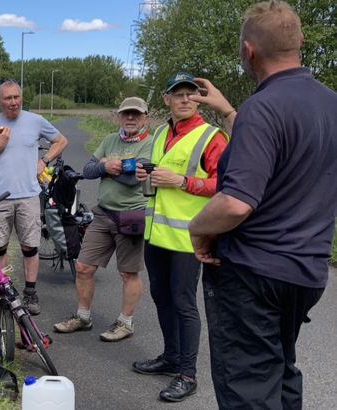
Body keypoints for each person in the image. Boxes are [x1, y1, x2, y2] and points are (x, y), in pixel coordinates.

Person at [188, 2, 337, 408]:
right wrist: (227, 111)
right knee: (281, 372)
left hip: (254, 274)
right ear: (300, 41)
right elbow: (286, 153)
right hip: (306, 272)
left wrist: (198, 229)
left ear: (248, 51)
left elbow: (236, 204)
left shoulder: (263, 107)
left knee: (249, 387)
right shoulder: (329, 104)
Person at [132, 72, 228, 402]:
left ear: (198, 99)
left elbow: (227, 186)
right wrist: (147, 174)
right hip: (157, 234)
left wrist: (182, 181)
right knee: (162, 299)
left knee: (184, 304)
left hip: (189, 238)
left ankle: (187, 374)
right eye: (178, 93)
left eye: (191, 93)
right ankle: (170, 356)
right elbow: (159, 175)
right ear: (166, 99)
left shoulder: (211, 137)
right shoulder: (160, 133)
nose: (185, 99)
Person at [53, 97, 152, 342]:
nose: (130, 118)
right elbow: (86, 170)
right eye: (126, 113)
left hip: (131, 216)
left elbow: (133, 179)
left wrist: (106, 167)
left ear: (145, 118)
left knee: (127, 273)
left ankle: (125, 323)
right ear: (119, 116)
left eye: (136, 114)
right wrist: (105, 167)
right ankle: (83, 317)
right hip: (103, 213)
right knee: (84, 267)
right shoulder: (109, 140)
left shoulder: (151, 144)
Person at [0, 78, 68, 315]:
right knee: (0, 247)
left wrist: (44, 160)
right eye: (8, 98)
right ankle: (4, 293)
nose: (14, 102)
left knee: (30, 247)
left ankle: (30, 293)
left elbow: (61, 140)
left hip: (28, 195)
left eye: (17, 97)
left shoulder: (35, 121)